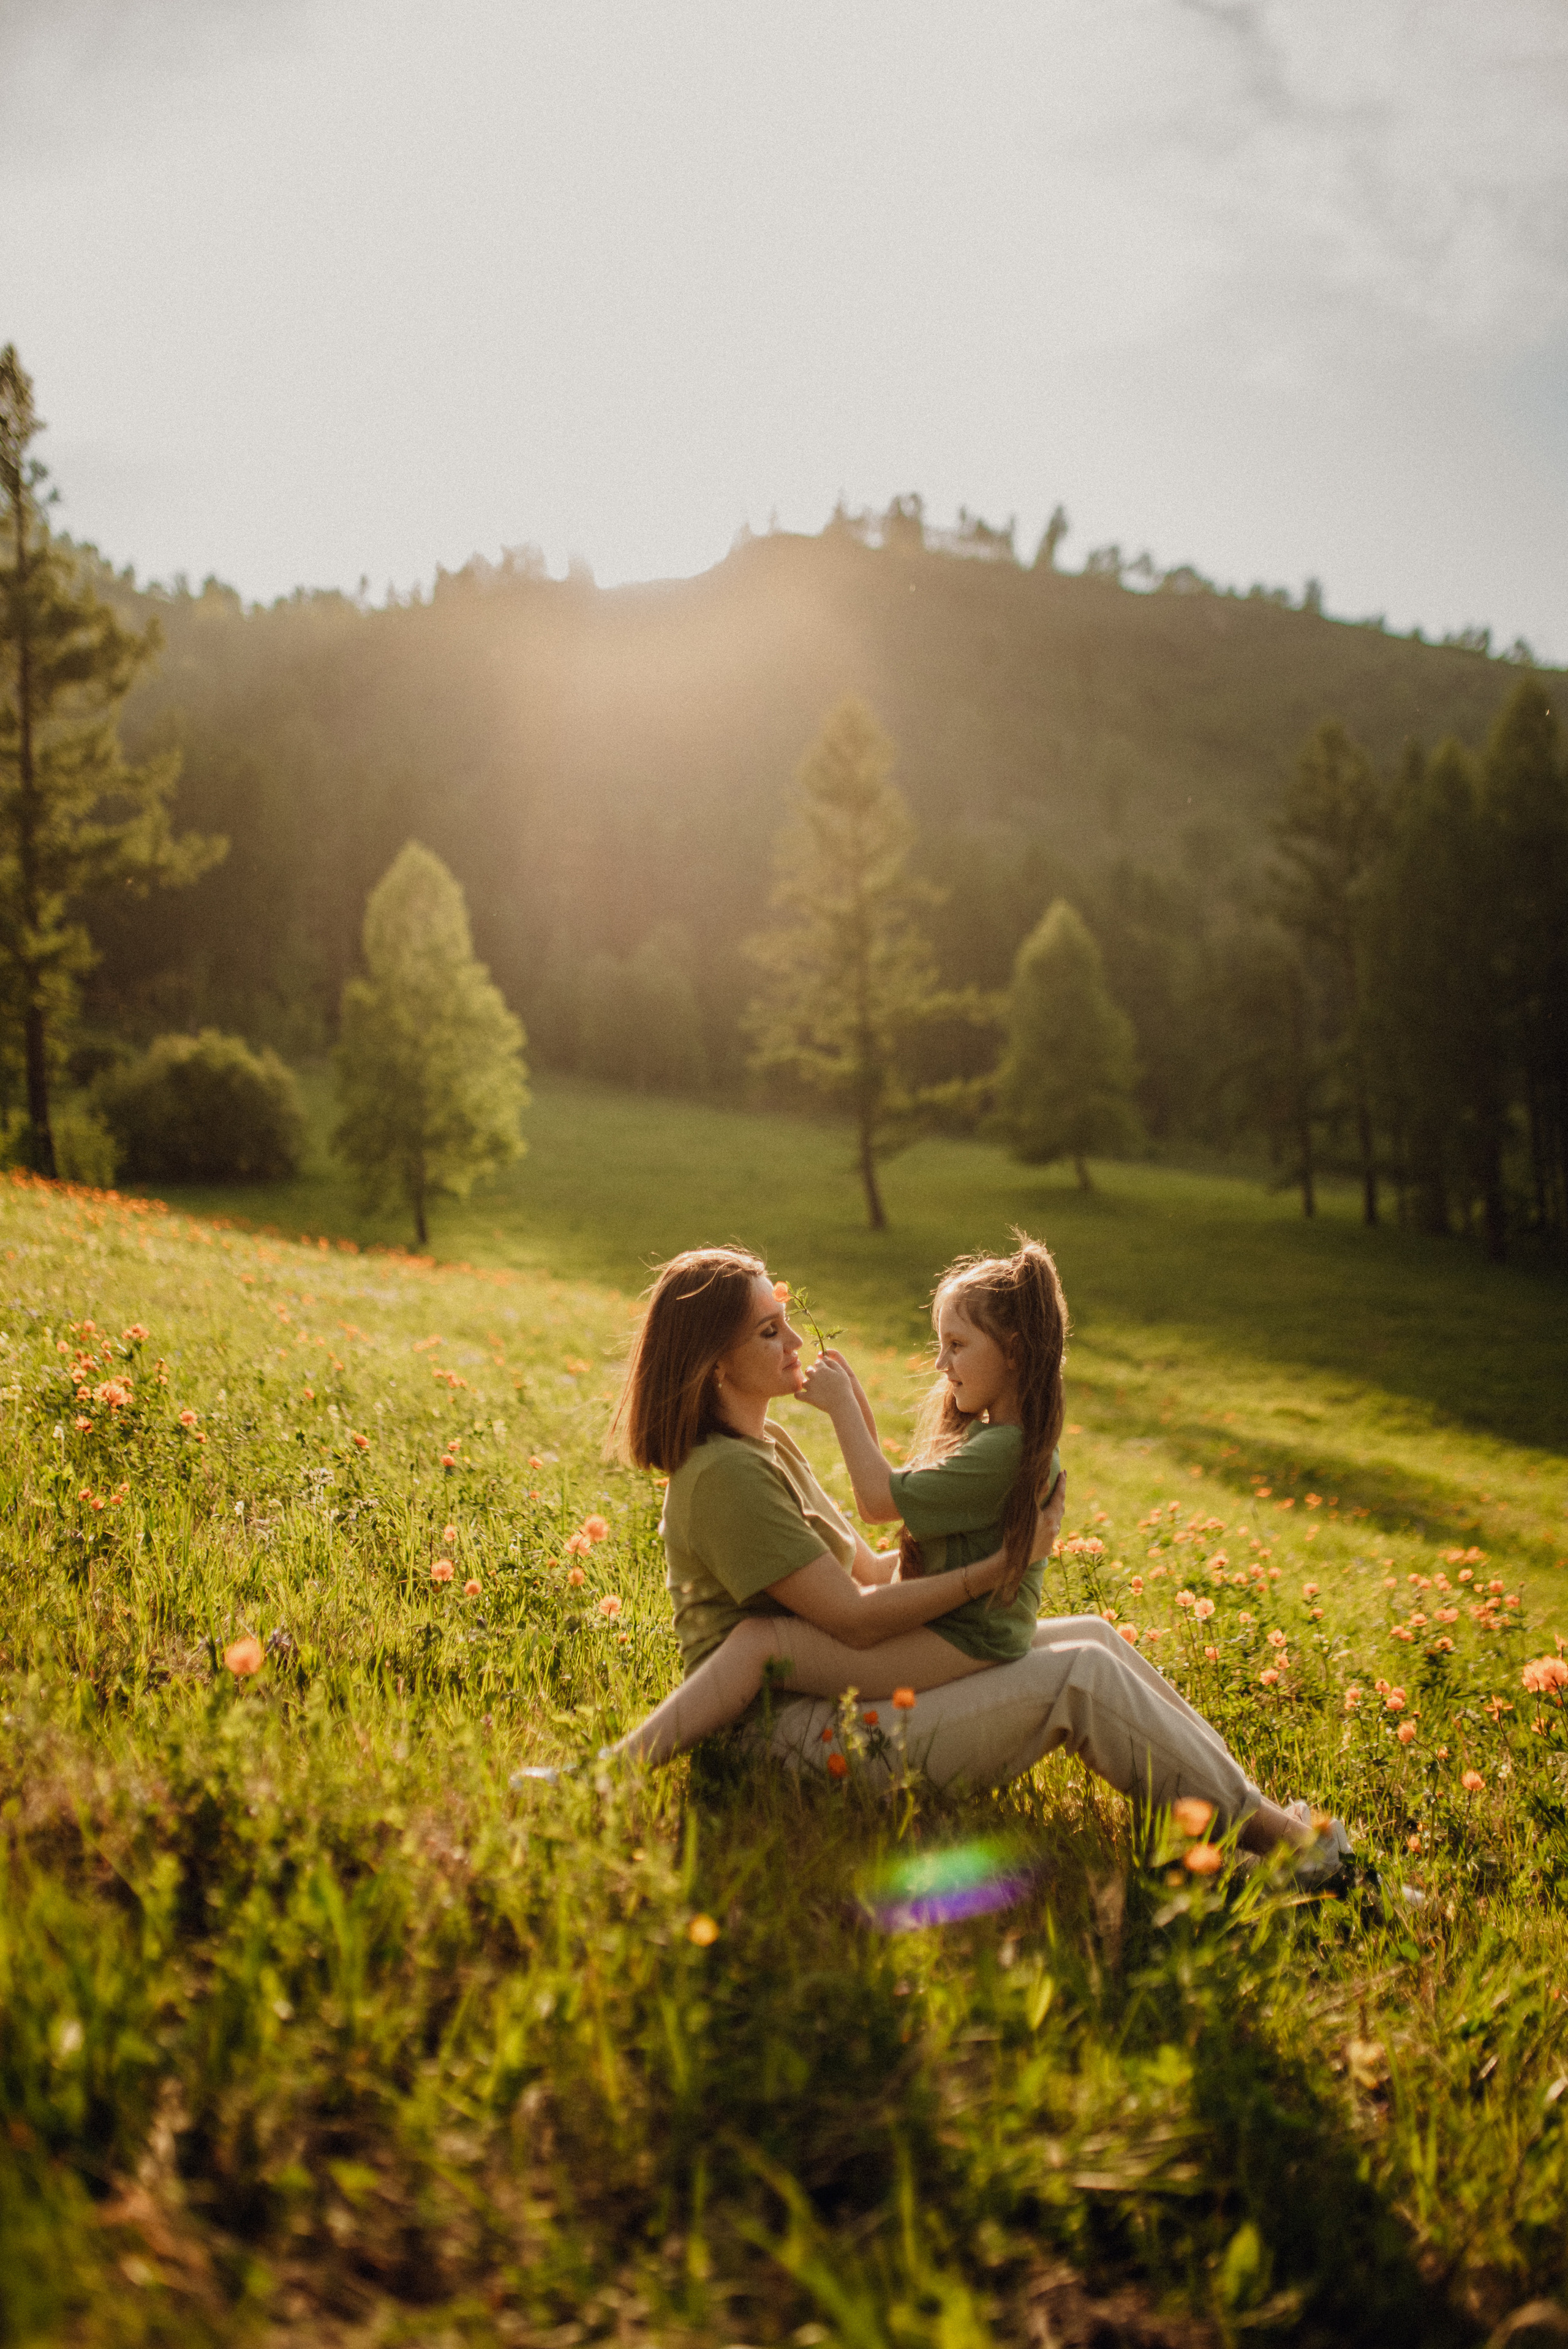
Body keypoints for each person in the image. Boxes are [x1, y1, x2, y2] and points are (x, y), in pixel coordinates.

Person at [598, 1244, 1348, 1876]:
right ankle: (1297, 1853)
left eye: (785, 1318)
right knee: (1078, 1677)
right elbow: (855, 1620)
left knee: (1093, 1636)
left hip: (832, 1700)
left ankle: (1260, 1820)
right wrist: (996, 1570)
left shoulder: (768, 1447)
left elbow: (871, 1573)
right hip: (785, 1741)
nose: (795, 1340)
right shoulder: (726, 1475)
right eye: (769, 1331)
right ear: (713, 1364)